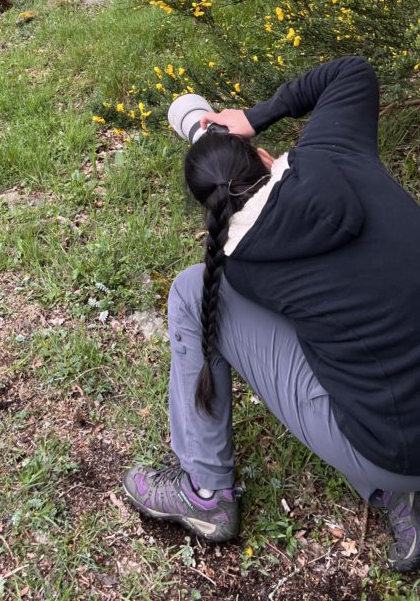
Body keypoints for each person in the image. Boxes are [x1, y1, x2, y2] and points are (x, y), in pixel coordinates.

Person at [123, 56, 420, 571]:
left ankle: (206, 491)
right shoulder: (336, 149)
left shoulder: (243, 270)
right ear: (263, 154)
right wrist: (257, 113)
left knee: (194, 292)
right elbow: (351, 72)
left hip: (403, 450)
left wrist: (205, 139)